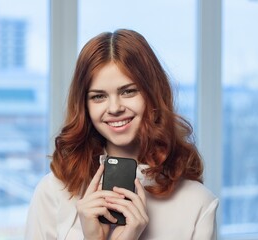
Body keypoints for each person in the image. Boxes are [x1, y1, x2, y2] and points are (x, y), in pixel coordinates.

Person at [25, 29, 219, 240]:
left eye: (128, 91)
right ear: (85, 107)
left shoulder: (198, 204)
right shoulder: (53, 193)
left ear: (153, 94)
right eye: (98, 96)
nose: (115, 107)